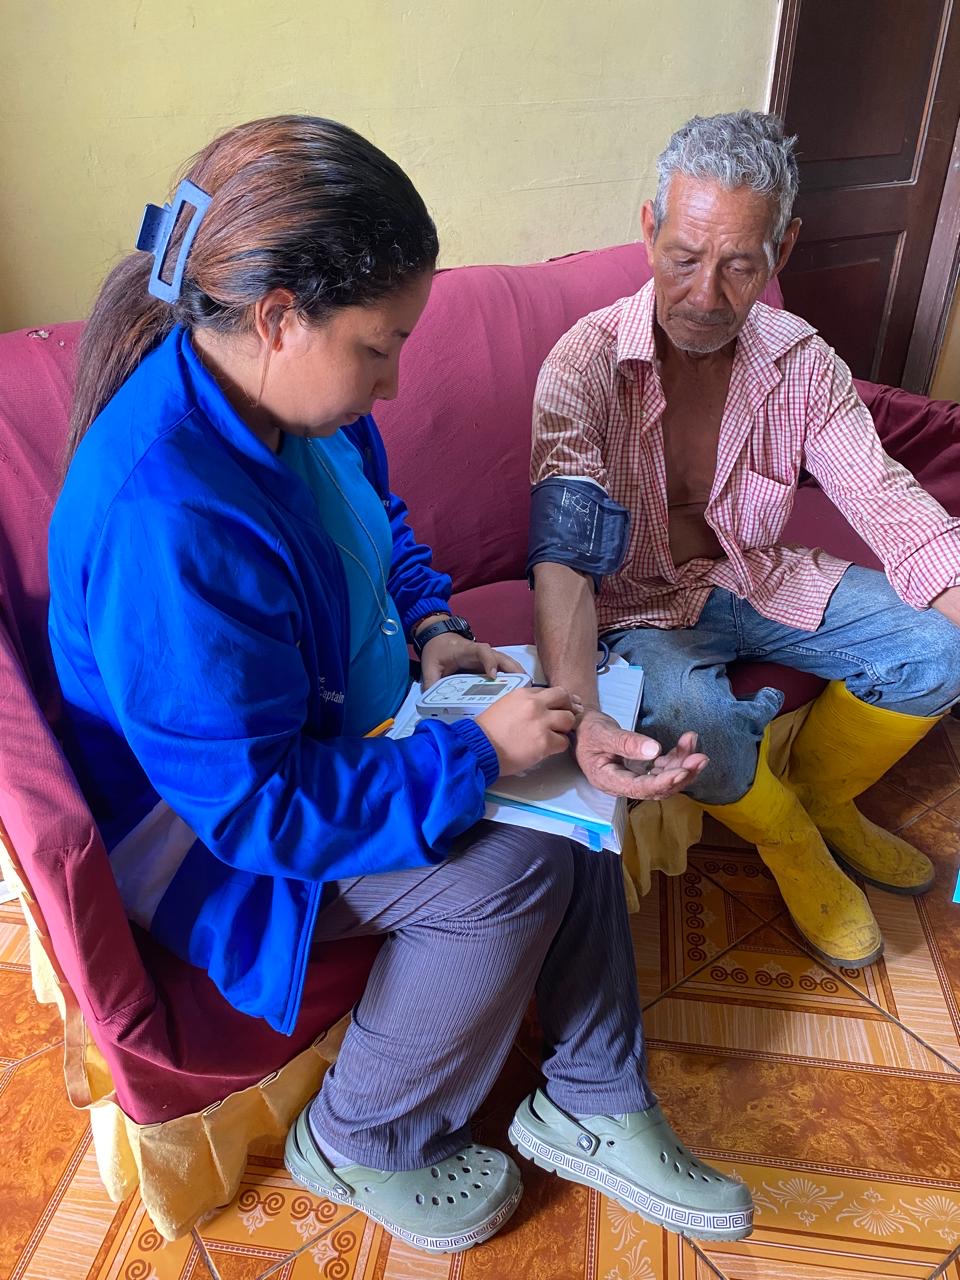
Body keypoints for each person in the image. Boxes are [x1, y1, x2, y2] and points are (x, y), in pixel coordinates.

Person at [48, 116, 753, 1255]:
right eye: (379, 347)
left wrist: (432, 623)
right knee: (517, 865)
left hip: (355, 729)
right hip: (214, 843)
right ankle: (361, 1135)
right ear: (280, 317)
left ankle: (593, 1094)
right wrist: (473, 757)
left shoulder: (290, 408)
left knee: (571, 781)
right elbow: (255, 811)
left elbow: (377, 528)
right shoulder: (167, 523)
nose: (393, 380)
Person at [529, 109, 960, 974]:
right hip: (638, 609)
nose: (705, 295)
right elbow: (566, 552)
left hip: (755, 577)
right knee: (693, 724)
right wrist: (580, 706)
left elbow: (882, 496)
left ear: (782, 249)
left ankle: (823, 799)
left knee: (939, 652)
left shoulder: (802, 361)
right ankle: (791, 839)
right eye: (684, 258)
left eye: (739, 266)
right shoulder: (582, 364)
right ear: (649, 229)